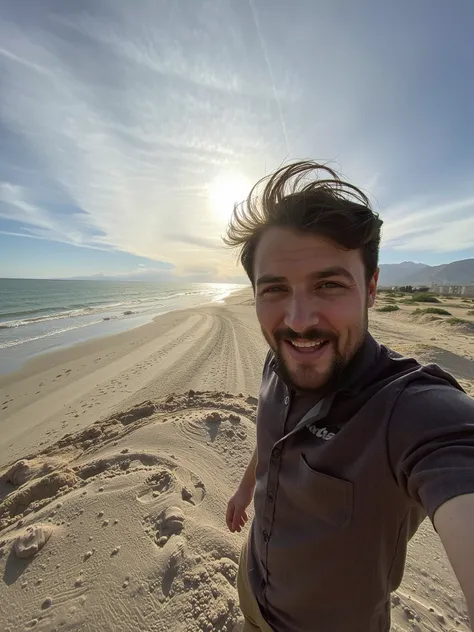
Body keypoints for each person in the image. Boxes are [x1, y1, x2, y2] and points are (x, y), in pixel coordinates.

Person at [223, 161, 474, 632]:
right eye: (274, 289)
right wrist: (243, 489)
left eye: (329, 284)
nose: (298, 321)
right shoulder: (277, 362)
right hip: (252, 584)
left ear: (371, 288)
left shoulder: (411, 408)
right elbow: (270, 439)